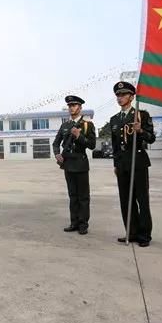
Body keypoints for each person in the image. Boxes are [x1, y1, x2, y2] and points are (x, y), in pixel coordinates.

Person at [109, 81, 155, 247]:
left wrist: (140, 131)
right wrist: (116, 163)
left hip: (139, 161)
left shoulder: (141, 115)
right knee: (125, 200)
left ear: (132, 96)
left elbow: (151, 138)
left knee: (141, 199)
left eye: (123, 95)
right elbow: (115, 145)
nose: (120, 98)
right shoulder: (114, 119)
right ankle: (132, 231)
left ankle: (144, 235)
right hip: (122, 164)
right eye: (118, 95)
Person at [52, 96, 96, 234]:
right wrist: (57, 154)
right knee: (72, 195)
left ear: (80, 107)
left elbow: (92, 145)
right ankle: (74, 222)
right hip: (68, 164)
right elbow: (56, 142)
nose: (72, 107)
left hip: (81, 164)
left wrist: (79, 136)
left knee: (83, 196)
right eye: (70, 105)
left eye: (74, 105)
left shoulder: (87, 125)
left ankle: (83, 224)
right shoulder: (65, 125)